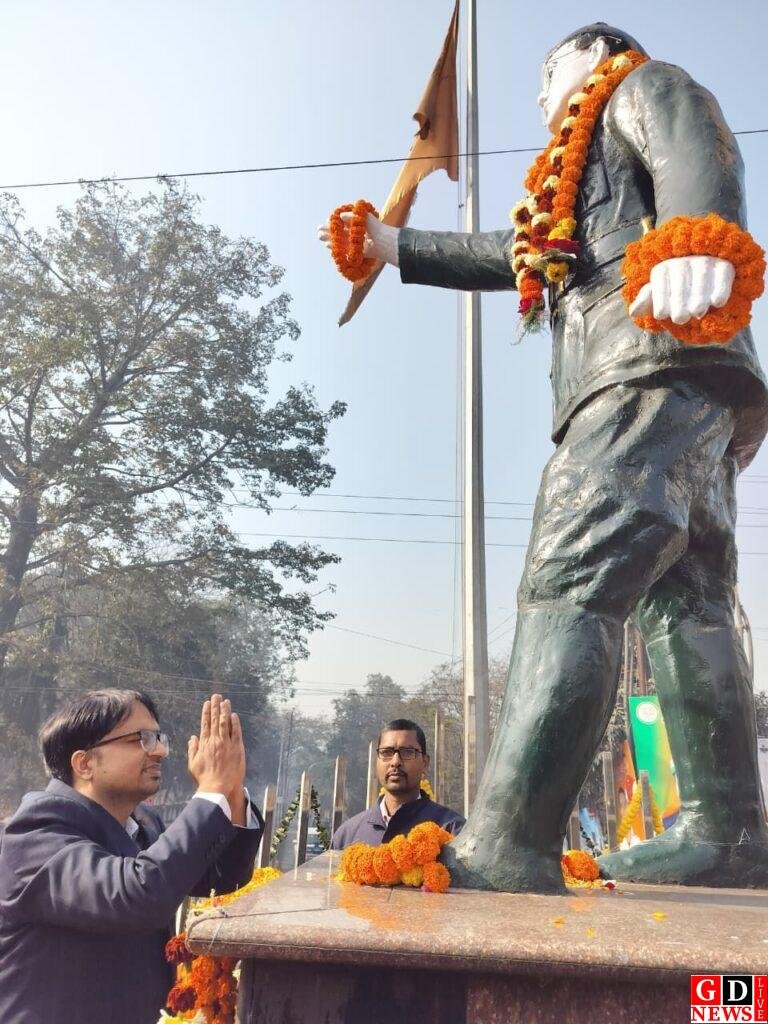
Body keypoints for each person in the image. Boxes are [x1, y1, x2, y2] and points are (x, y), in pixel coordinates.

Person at [321, 24, 768, 892]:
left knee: (571, 571)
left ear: (596, 53)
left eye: (549, 71)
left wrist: (695, 238)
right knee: (689, 605)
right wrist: (390, 245)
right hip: (688, 390)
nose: (536, 96)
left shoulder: (639, 87)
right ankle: (728, 834)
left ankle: (509, 842)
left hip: (646, 358)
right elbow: (513, 252)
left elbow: (695, 140)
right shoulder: (571, 190)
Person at [0, 689, 263, 1024]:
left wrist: (230, 790)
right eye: (141, 739)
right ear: (85, 763)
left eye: (158, 738)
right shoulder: (36, 833)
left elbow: (222, 876)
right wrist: (210, 791)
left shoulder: (142, 823)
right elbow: (138, 894)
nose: (160, 751)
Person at [330, 718, 464, 849]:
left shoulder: (452, 831)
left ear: (425, 763)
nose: (395, 762)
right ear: (376, 761)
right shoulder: (347, 836)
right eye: (386, 752)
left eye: (407, 752)